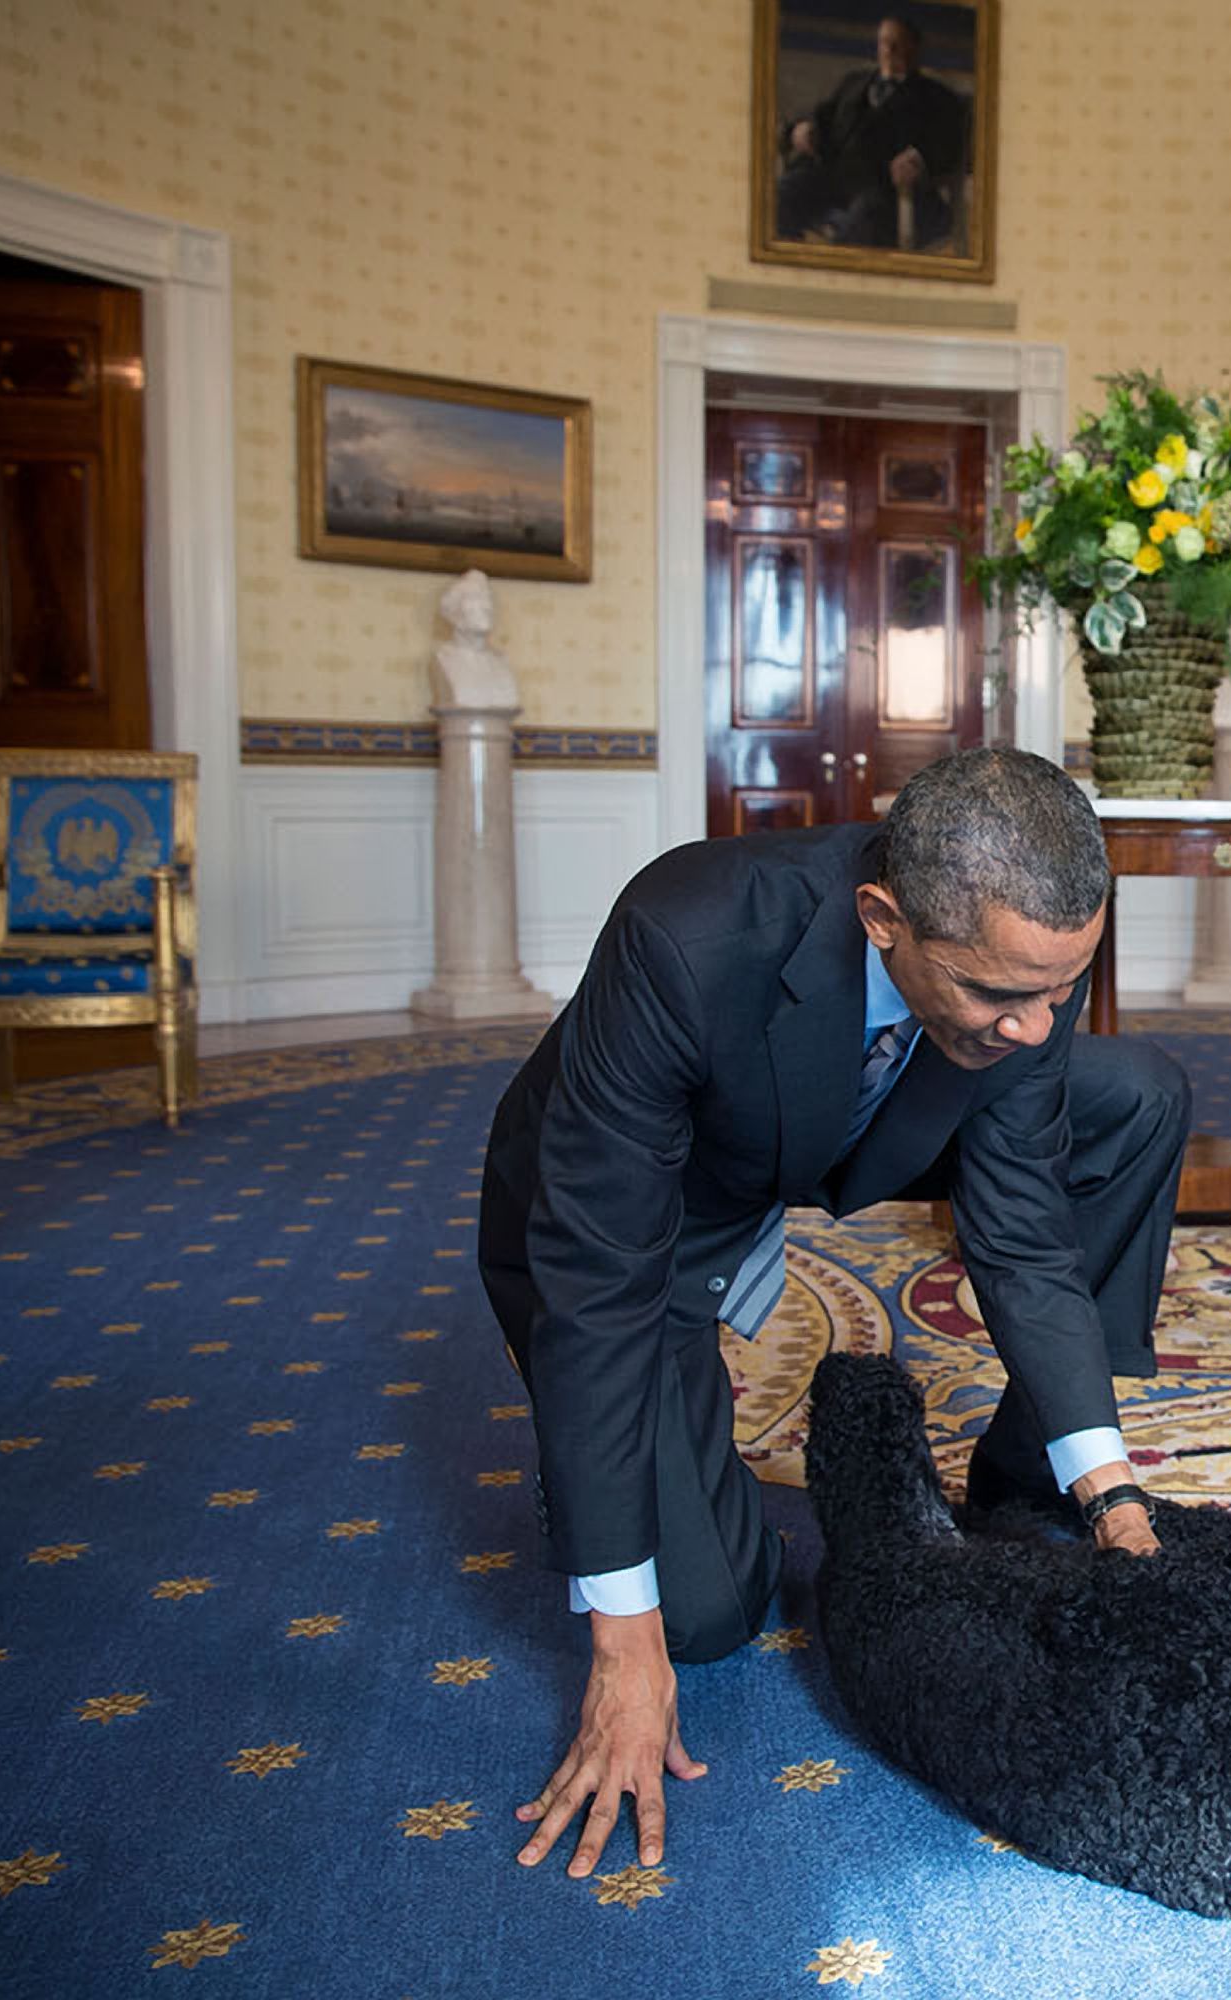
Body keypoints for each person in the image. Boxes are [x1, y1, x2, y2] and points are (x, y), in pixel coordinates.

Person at [478, 747, 1188, 1880]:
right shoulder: (686, 936)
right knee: (703, 1618)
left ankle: (1024, 1477)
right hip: (644, 1214)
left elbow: (1020, 1232)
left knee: (1139, 1089)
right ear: (880, 919)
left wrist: (1113, 1494)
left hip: (857, 1115)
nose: (1041, 1027)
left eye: (1065, 987)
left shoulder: (1019, 971)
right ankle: (639, 1452)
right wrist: (621, 1638)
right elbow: (595, 1283)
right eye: (1004, 994)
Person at [772, 15, 971, 250]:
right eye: (884, 42)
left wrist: (919, 158)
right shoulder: (854, 83)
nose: (888, 50)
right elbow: (821, 118)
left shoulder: (937, 97)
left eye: (897, 43)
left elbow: (951, 143)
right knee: (779, 196)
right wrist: (800, 129)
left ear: (915, 48)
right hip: (833, 176)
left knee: (859, 226)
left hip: (884, 189)